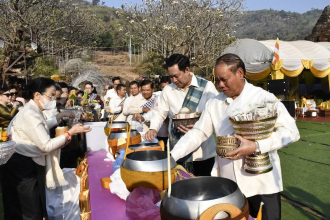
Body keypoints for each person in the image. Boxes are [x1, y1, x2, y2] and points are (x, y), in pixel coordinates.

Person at [169, 54, 300, 219]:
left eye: (225, 79)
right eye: (218, 80)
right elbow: (199, 132)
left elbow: (291, 132)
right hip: (228, 185)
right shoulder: (215, 103)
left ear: (240, 73)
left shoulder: (264, 98)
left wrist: (257, 146)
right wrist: (173, 156)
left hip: (262, 183)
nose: (220, 85)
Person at [2, 77, 91, 219]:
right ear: (37, 95)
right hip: (22, 166)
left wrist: (60, 115)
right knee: (30, 210)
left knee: (31, 205)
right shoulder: (30, 113)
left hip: (25, 162)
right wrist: (70, 133)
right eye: (50, 96)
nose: (52, 100)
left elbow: (41, 127)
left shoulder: (32, 109)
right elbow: (46, 145)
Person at [144, 54, 218, 176]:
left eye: (176, 76)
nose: (173, 80)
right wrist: (153, 128)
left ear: (187, 70)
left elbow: (216, 114)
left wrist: (199, 125)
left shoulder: (206, 87)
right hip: (177, 148)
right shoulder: (168, 90)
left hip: (202, 153)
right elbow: (159, 112)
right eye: (171, 76)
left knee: (203, 189)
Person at [137, 76, 171, 146]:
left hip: (172, 133)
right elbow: (154, 111)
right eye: (163, 87)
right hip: (160, 132)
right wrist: (144, 118)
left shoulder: (175, 97)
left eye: (166, 87)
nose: (165, 89)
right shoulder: (158, 97)